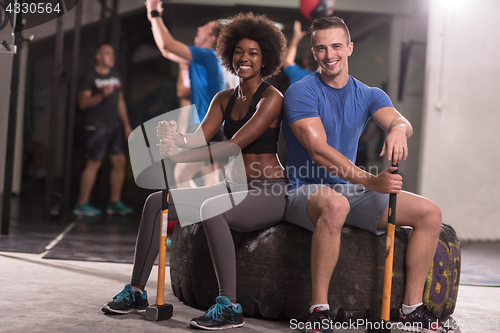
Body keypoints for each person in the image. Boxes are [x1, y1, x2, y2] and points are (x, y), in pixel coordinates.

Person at [101, 12, 288, 331]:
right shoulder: (224, 98)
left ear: (265, 58)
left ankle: (229, 306)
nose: (244, 58)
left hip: (267, 191)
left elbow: (232, 147)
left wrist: (182, 155)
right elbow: (196, 138)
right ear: (230, 55)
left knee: (211, 207)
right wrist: (176, 139)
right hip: (233, 187)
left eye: (253, 53)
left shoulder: (271, 98)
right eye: (239, 51)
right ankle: (135, 292)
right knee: (155, 202)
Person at [282, 17, 449, 333]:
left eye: (335, 46)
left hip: (348, 191)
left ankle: (411, 310)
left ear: (349, 47)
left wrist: (399, 130)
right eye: (321, 48)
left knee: (430, 213)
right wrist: (371, 181)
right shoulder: (300, 92)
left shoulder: (370, 94)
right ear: (314, 52)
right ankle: (318, 312)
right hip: (305, 190)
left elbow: (401, 121)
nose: (329, 55)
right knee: (335, 206)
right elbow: (318, 151)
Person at [146, 0, 226, 188]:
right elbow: (166, 50)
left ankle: (204, 216)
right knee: (207, 176)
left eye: (204, 28)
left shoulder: (207, 56)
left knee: (183, 175)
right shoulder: (202, 60)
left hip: (207, 128)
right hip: (209, 128)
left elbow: (168, 45)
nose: (199, 28)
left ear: (212, 37)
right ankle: (210, 215)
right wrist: (153, 18)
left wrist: (154, 13)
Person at [73, 42, 133, 216]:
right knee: (94, 163)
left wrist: (127, 125)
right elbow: (82, 104)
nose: (111, 56)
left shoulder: (116, 76)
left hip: (114, 126)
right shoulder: (90, 77)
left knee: (119, 162)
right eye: (107, 53)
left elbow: (120, 102)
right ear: (98, 57)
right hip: (96, 126)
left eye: (113, 53)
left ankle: (114, 202)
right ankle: (81, 204)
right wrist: (101, 95)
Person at [283, 20, 318, 85]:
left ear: (305, 62)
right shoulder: (325, 79)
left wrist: (295, 39)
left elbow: (287, 61)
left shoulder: (297, 74)